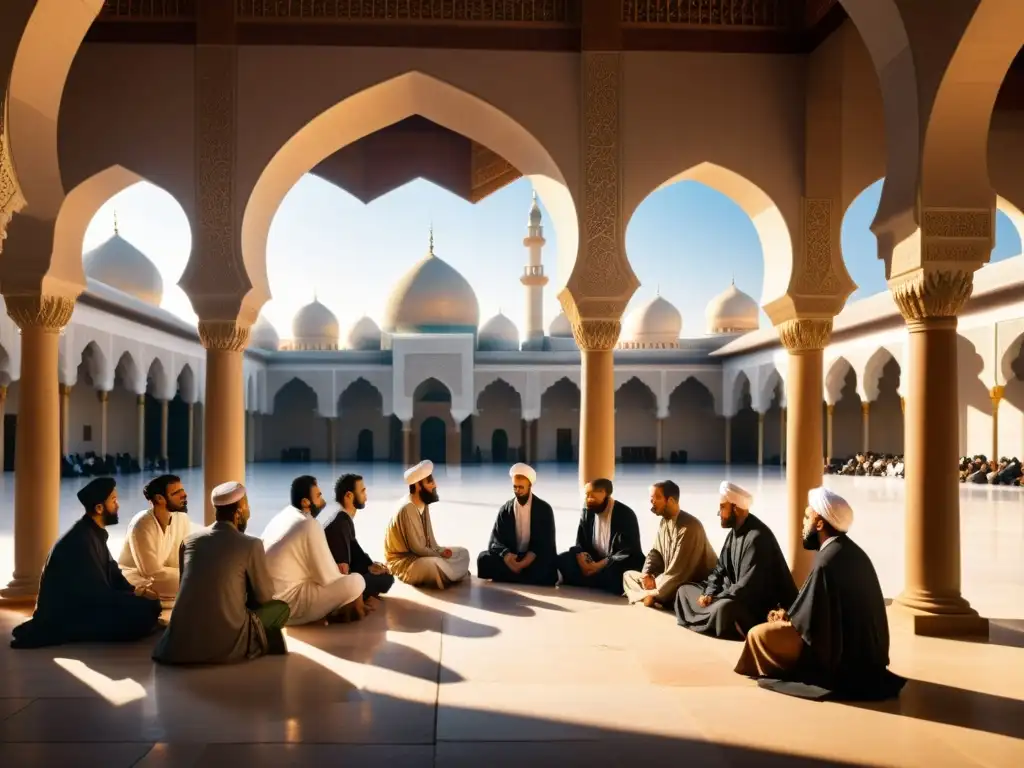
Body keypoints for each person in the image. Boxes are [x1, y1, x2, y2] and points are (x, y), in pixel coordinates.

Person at [734, 487, 906, 701]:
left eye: (807, 518)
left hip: (841, 660)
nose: (803, 524)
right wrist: (791, 615)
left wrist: (786, 617)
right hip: (865, 654)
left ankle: (777, 668)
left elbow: (812, 624)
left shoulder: (827, 561)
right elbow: (821, 608)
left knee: (758, 634)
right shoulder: (850, 551)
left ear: (820, 523)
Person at [11, 477, 162, 649]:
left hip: (89, 605)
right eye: (113, 501)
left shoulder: (93, 532)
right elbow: (96, 594)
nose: (118, 505)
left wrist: (137, 592)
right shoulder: (81, 539)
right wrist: (133, 599)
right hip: (71, 615)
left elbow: (113, 573)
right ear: (99, 508)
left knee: (148, 604)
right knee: (142, 611)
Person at [153, 481, 291, 665]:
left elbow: (185, 590)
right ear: (240, 510)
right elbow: (265, 597)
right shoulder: (251, 544)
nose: (249, 511)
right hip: (221, 646)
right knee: (280, 608)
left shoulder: (189, 541)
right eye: (247, 506)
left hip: (175, 647)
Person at [675, 481, 796, 638]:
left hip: (753, 605)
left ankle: (715, 619)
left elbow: (747, 587)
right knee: (683, 591)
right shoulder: (734, 533)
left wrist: (716, 598)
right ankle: (709, 617)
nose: (719, 513)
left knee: (725, 609)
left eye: (722, 507)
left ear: (735, 508)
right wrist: (709, 592)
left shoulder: (757, 537)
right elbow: (719, 569)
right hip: (730, 594)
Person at [261, 475, 368, 625]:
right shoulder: (308, 524)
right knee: (357, 581)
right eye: (318, 496)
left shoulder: (283, 515)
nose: (323, 501)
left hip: (268, 601)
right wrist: (341, 572)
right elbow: (328, 578)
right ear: (306, 502)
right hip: (289, 605)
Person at [622, 480, 717, 608]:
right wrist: (647, 574)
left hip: (690, 582)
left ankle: (650, 596)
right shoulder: (664, 521)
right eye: (651, 498)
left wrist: (658, 586)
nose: (652, 502)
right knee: (628, 575)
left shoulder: (689, 527)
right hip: (668, 578)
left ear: (671, 501)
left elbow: (678, 572)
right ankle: (648, 595)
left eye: (657, 498)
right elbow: (655, 552)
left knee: (677, 589)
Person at [384, 460, 470, 588]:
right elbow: (417, 548)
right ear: (418, 486)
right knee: (433, 565)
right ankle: (452, 573)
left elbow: (431, 541)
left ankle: (449, 574)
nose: (435, 484)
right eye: (430, 481)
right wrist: (440, 556)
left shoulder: (423, 503)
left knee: (463, 553)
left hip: (423, 555)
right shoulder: (408, 508)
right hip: (404, 562)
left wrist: (441, 551)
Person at [557, 478, 644, 594]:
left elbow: (626, 551)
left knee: (618, 573)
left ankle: (588, 580)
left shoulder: (625, 514)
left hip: (614, 562)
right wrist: (583, 561)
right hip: (594, 558)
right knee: (563, 559)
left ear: (604, 493)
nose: (587, 499)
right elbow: (580, 542)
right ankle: (596, 580)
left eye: (591, 495)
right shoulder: (587, 511)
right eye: (586, 495)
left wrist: (598, 566)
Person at [476, 463, 558, 586]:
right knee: (483, 559)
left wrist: (523, 563)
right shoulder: (505, 509)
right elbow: (495, 541)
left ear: (530, 486)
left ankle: (512, 576)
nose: (517, 491)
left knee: (548, 565)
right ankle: (524, 577)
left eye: (521, 487)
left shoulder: (544, 509)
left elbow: (545, 543)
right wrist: (507, 557)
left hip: (533, 558)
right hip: (512, 557)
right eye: (515, 487)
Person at [117, 474, 192, 602]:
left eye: (183, 490)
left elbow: (178, 560)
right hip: (136, 576)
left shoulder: (181, 518)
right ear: (159, 498)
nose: (184, 495)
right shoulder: (142, 524)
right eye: (177, 492)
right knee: (193, 580)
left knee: (196, 577)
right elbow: (150, 572)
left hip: (161, 575)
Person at [323, 473, 394, 602]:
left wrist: (371, 565)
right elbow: (342, 569)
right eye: (362, 492)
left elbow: (354, 550)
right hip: (335, 583)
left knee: (384, 575)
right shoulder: (340, 523)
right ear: (349, 496)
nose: (365, 497)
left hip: (344, 574)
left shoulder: (343, 519)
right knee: (386, 580)